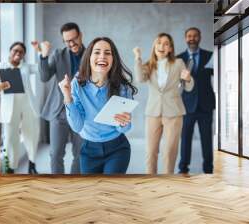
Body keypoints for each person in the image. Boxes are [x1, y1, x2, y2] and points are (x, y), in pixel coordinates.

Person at [58, 37, 138, 174]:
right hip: (89, 150)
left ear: (113, 60)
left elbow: (124, 129)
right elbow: (77, 126)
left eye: (108, 53)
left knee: (110, 191)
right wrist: (67, 97)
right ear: (89, 57)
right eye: (97, 52)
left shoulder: (122, 87)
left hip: (117, 149)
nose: (102, 56)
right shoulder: (77, 85)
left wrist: (124, 121)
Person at [133, 33, 194, 174]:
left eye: (166, 43)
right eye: (159, 42)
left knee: (169, 152)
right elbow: (139, 79)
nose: (161, 46)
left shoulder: (178, 63)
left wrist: (189, 78)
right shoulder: (148, 65)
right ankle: (151, 183)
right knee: (150, 151)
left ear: (170, 49)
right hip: (153, 112)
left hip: (174, 112)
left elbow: (188, 87)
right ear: (155, 46)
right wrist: (137, 58)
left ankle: (168, 183)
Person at [36, 22, 84, 174]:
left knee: (80, 154)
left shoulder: (92, 55)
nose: (71, 43)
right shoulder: (58, 54)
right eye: (67, 41)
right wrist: (43, 56)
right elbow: (44, 77)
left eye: (74, 39)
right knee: (55, 153)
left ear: (80, 35)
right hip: (59, 111)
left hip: (82, 111)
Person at [177, 27, 215, 174]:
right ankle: (183, 169)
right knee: (185, 139)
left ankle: (208, 169)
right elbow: (176, 82)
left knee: (207, 140)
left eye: (195, 36)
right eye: (189, 36)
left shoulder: (210, 55)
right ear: (186, 38)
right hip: (186, 105)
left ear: (200, 37)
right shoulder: (179, 59)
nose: (192, 38)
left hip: (206, 106)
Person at [0, 41, 40, 174]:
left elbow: (41, 67)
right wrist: (1, 86)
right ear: (10, 51)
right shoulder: (1, 66)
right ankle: (11, 166)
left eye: (21, 52)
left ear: (24, 55)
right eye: (15, 50)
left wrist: (39, 51)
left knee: (31, 135)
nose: (17, 53)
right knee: (10, 138)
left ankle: (32, 163)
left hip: (27, 105)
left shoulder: (26, 67)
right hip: (10, 108)